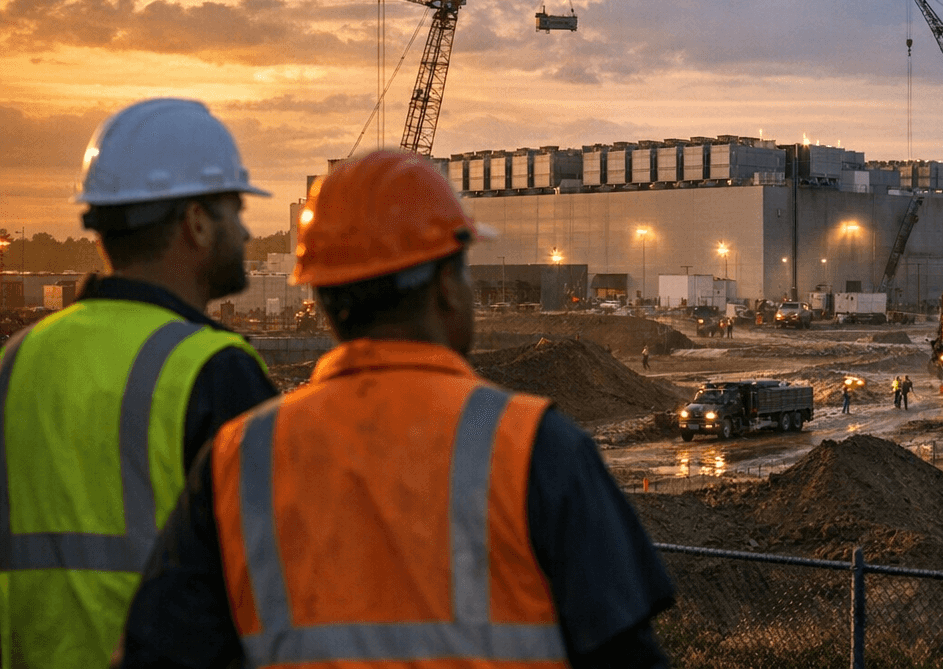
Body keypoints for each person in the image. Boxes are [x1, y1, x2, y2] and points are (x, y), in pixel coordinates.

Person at [117, 150, 675, 669]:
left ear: (324, 301)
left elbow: (159, 652)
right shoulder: (532, 445)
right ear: (448, 289)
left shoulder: (242, 458)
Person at [0, 98, 277, 669]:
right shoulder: (214, 370)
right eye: (236, 209)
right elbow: (276, 580)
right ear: (197, 222)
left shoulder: (17, 361)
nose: (246, 230)